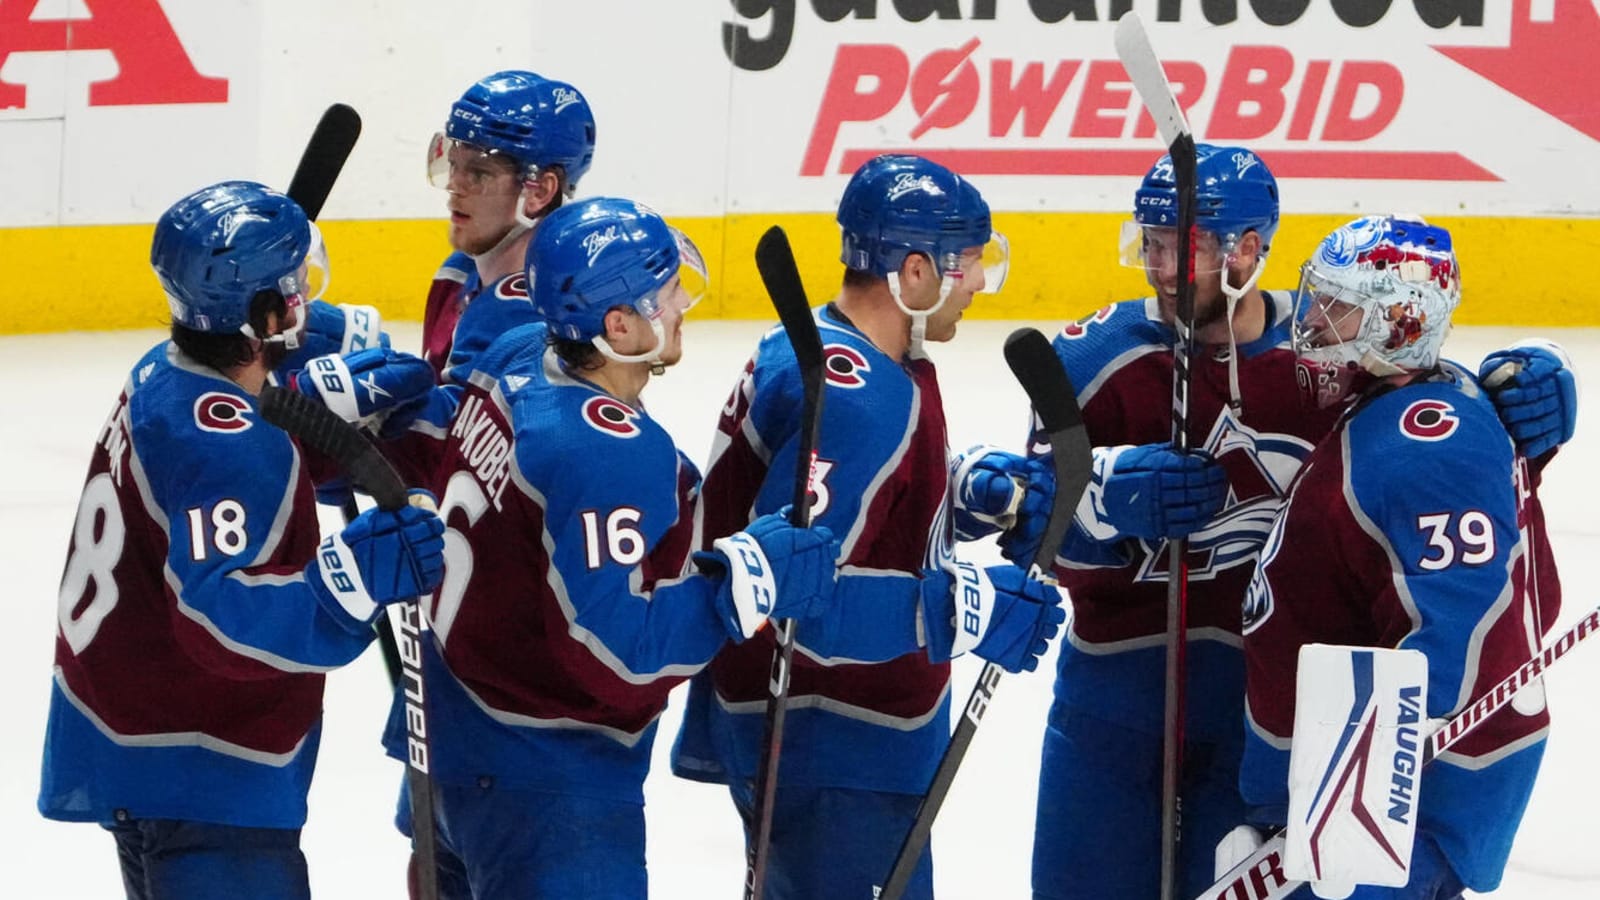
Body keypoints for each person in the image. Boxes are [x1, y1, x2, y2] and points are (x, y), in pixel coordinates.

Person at [1007, 146, 1581, 900]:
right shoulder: (1095, 358)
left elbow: (1424, 444)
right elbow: (1023, 522)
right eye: (1152, 244)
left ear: (1250, 248)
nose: (1164, 267)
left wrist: (1525, 398)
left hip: (1275, 718)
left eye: (1190, 248)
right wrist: (1100, 500)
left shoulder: (1324, 360)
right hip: (1117, 697)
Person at [382, 196, 841, 899]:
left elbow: (438, 441)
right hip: (547, 781)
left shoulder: (515, 355)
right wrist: (742, 583)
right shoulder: (603, 453)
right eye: (664, 293)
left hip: (453, 743)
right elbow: (616, 650)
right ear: (618, 325)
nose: (683, 301)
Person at [669, 153, 1066, 900]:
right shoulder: (856, 401)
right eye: (969, 263)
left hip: (826, 742)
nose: (979, 283)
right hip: (830, 743)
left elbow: (860, 503)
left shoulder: (842, 352)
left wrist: (965, 488)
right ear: (914, 273)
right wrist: (963, 608)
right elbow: (785, 603)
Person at [38, 180, 447, 900]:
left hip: (142, 734)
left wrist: (305, 410)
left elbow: (235, 450)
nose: (305, 301)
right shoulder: (228, 444)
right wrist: (347, 582)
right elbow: (217, 621)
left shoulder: (166, 373)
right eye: (292, 289)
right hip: (198, 762)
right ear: (262, 314)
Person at [1237, 214, 1561, 897]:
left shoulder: (1427, 443)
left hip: (1389, 813)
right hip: (1360, 797)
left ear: (1403, 319)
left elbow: (1463, 630)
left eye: (1339, 306)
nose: (1315, 322)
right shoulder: (1403, 405)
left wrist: (1357, 790)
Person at [419, 69, 596, 382]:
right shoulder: (458, 273)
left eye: (479, 173)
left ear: (539, 191)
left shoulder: (547, 319)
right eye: (453, 164)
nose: (454, 185)